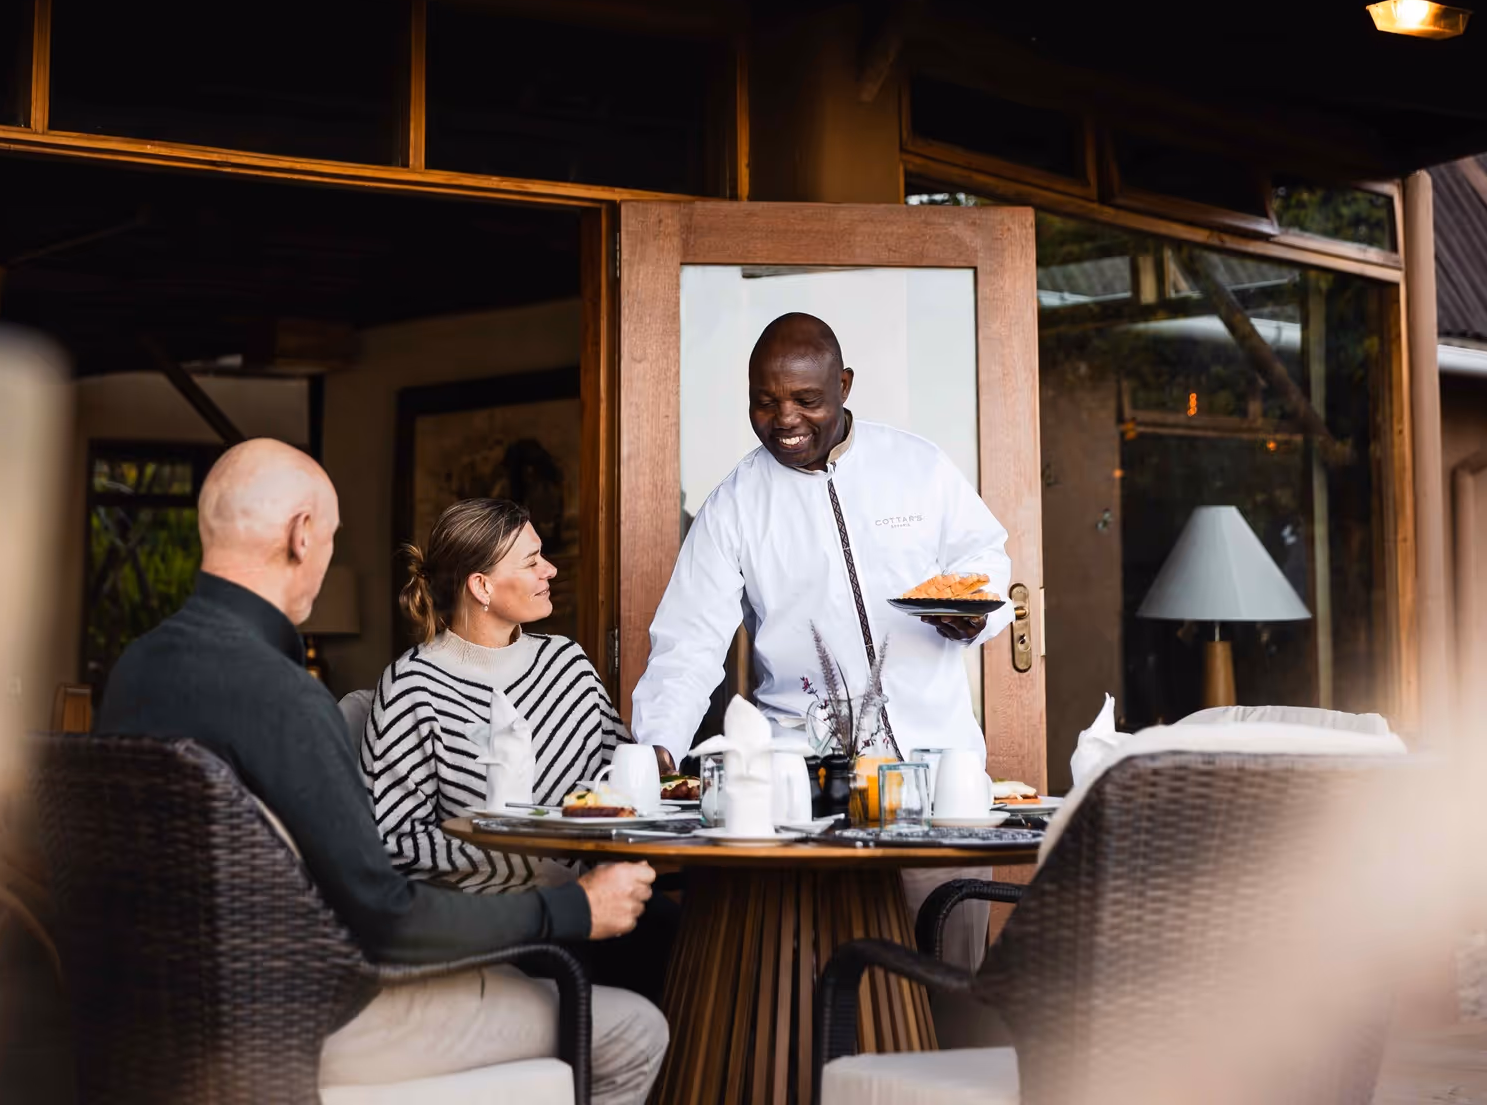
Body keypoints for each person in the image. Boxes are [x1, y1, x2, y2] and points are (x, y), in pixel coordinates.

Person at [96, 439, 667, 1103]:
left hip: (156, 1021)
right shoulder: (283, 697)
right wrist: (573, 907)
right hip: (308, 1023)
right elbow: (386, 917)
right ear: (302, 536)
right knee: (637, 1028)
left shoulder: (134, 669)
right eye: (334, 538)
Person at [630, 313, 1012, 963]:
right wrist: (656, 748)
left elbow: (985, 561)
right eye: (764, 401)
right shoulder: (736, 504)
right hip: (805, 789)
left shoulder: (917, 466)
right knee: (808, 979)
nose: (785, 419)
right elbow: (690, 640)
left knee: (948, 974)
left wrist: (977, 610)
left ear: (845, 385)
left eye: (807, 399)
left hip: (936, 772)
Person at [364, 497, 676, 1001]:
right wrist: (524, 858)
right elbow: (391, 841)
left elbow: (623, 781)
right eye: (531, 563)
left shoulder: (566, 663)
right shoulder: (412, 687)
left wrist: (658, 770)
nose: (550, 570)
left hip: (596, 899)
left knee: (683, 930)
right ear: (481, 586)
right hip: (495, 924)